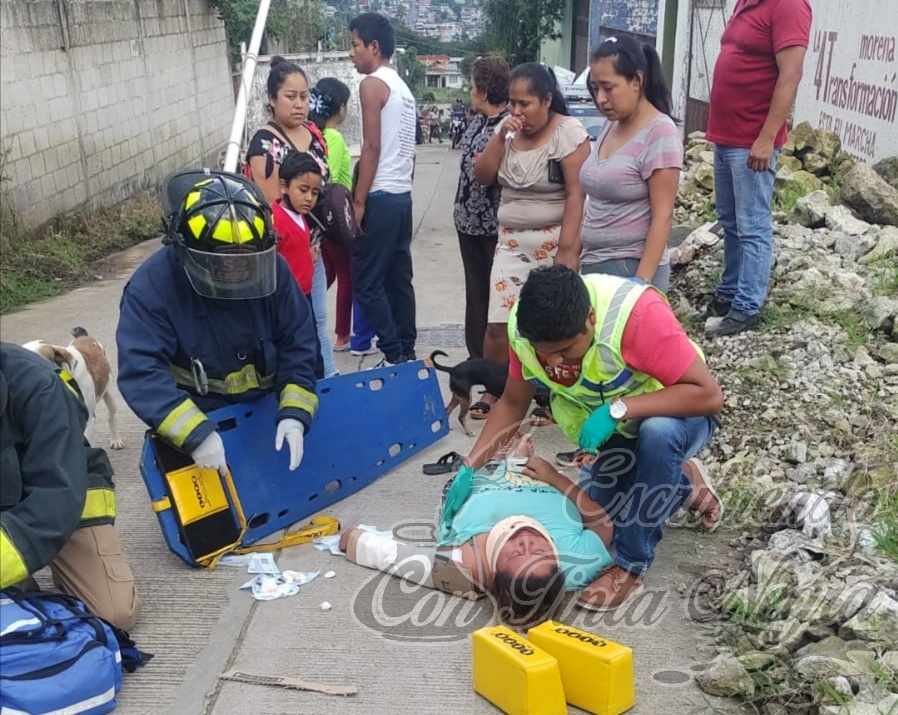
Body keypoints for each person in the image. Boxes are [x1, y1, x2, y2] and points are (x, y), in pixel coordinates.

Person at [464, 266, 724, 610]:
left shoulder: (637, 316)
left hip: (678, 415)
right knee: (603, 517)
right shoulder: (525, 328)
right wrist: (469, 468)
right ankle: (682, 482)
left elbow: (708, 395)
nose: (555, 363)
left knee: (657, 436)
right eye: (545, 353)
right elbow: (513, 402)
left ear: (589, 319)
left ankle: (631, 566)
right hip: (615, 434)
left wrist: (620, 408)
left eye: (566, 350)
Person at [117, 171, 318, 476]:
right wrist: (196, 436)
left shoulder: (272, 268)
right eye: (224, 264)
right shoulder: (152, 288)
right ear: (186, 251)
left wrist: (294, 412)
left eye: (245, 261)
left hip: (266, 418)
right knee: (213, 523)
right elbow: (141, 372)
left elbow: (299, 341)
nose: (236, 273)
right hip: (195, 431)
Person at [340, 433, 613, 623]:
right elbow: (603, 525)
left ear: (494, 568)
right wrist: (555, 478)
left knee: (471, 478)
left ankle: (508, 462)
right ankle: (515, 462)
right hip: (543, 482)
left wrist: (354, 542)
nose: (526, 542)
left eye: (516, 554)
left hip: (483, 485)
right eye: (541, 553)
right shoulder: (575, 562)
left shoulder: (471, 564)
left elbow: (397, 558)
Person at [474, 63, 590, 422]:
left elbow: (577, 194)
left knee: (554, 325)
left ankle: (552, 398)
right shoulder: (505, 132)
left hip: (553, 240)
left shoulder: (568, 134)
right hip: (511, 241)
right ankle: (496, 389)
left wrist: (567, 252)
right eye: (513, 103)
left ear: (547, 100)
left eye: (525, 104)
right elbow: (482, 175)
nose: (517, 111)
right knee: (498, 324)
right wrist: (499, 138)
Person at [0, 343, 137, 630]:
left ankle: (65, 562)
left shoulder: (39, 384)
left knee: (113, 614)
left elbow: (56, 497)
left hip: (68, 502)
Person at [704, 0, 812, 337]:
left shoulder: (789, 5)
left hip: (752, 140)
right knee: (730, 220)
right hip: (726, 136)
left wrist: (766, 138)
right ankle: (729, 291)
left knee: (752, 225)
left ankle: (747, 306)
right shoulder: (745, 3)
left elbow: (790, 75)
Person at [245, 56, 336, 375]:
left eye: (304, 97)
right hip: (285, 256)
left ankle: (327, 384)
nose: (300, 104)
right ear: (272, 99)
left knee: (319, 321)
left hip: (316, 248)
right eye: (291, 97)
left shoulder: (314, 134)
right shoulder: (265, 144)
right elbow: (273, 208)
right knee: (293, 325)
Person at [581, 36, 682, 292]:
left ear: (636, 81)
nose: (601, 98)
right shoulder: (611, 125)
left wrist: (640, 284)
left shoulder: (660, 132)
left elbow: (663, 216)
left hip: (630, 269)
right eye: (595, 88)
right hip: (594, 266)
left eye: (608, 87)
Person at [349, 12, 418, 368]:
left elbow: (371, 147)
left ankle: (392, 352)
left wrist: (358, 201)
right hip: (401, 196)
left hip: (380, 194)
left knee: (367, 282)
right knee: (398, 277)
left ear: (374, 47)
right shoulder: (405, 89)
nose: (352, 53)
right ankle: (407, 348)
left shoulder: (372, 84)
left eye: (356, 45)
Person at [453, 56, 510, 418]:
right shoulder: (478, 120)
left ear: (484, 89)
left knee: (495, 307)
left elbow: (489, 173)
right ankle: (476, 365)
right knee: (475, 297)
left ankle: (496, 379)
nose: (470, 92)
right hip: (468, 224)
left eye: (473, 86)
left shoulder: (505, 127)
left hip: (492, 228)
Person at [308, 78, 376, 357]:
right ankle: (342, 336)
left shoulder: (313, 133)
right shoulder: (332, 137)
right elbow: (330, 178)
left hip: (323, 222)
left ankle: (310, 318)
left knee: (329, 273)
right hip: (337, 220)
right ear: (341, 108)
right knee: (348, 276)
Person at [272, 151, 322, 299]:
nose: (309, 198)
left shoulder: (301, 216)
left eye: (315, 193)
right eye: (303, 190)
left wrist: (308, 255)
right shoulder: (274, 221)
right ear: (284, 186)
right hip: (287, 300)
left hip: (304, 294)